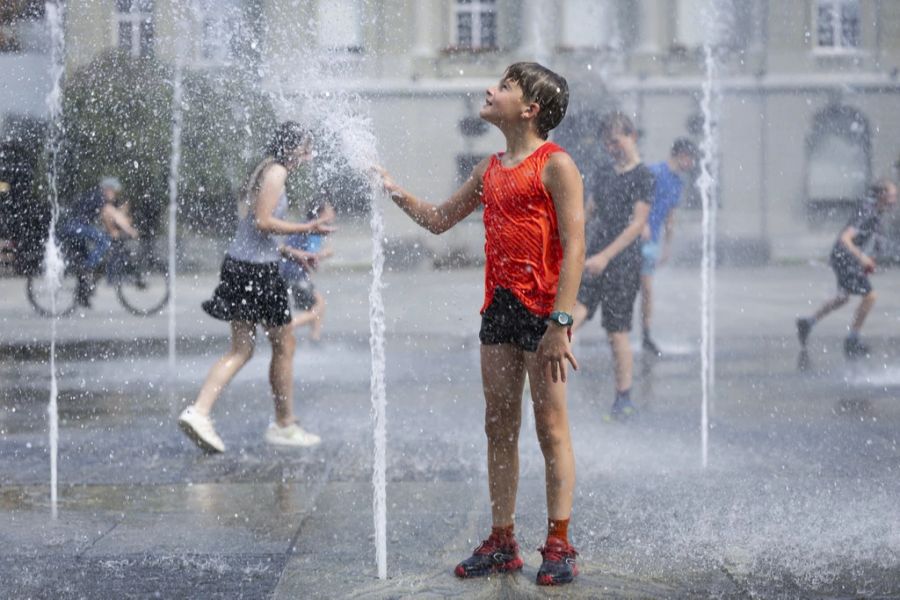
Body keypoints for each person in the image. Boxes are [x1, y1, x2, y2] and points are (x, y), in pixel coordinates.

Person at [379, 62, 585, 586]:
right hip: (498, 309)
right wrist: (393, 189)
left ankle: (559, 543)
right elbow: (440, 220)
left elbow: (576, 244)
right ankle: (503, 539)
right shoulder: (487, 169)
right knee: (499, 424)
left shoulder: (555, 165)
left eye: (505, 87)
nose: (491, 90)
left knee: (549, 427)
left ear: (530, 109)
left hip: (544, 315)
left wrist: (561, 321)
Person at [177, 122, 334, 453]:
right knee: (282, 344)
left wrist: (294, 252)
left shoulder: (267, 169)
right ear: (293, 149)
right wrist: (308, 226)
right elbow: (263, 222)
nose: (310, 154)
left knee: (248, 348)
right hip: (257, 273)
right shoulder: (276, 173)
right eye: (306, 147)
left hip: (244, 265)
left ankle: (201, 412)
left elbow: (255, 232)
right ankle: (283, 425)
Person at [571, 112, 654, 420]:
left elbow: (637, 224)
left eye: (616, 141)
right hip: (594, 254)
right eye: (607, 144)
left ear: (631, 136)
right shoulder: (604, 172)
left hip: (622, 260)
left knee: (616, 330)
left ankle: (623, 398)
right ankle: (545, 375)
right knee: (572, 312)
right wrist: (567, 235)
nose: (612, 148)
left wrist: (607, 256)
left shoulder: (643, 176)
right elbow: (589, 210)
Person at [796, 179, 898, 358]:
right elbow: (845, 238)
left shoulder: (876, 211)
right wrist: (862, 258)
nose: (895, 199)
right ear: (881, 195)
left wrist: (868, 259)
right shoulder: (867, 211)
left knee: (842, 298)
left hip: (843, 257)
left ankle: (807, 323)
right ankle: (852, 340)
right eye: (892, 195)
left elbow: (870, 239)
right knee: (870, 296)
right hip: (844, 257)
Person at [640, 138, 698, 356]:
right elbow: (635, 198)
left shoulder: (678, 183)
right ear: (681, 154)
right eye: (691, 159)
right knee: (629, 285)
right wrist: (641, 223)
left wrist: (667, 246)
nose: (692, 164)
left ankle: (645, 334)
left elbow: (670, 216)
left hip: (652, 240)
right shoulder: (654, 172)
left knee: (647, 288)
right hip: (635, 236)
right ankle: (619, 330)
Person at [58, 177, 138, 306]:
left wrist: (113, 232)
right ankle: (88, 268)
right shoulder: (99, 196)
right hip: (75, 226)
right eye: (114, 191)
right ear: (108, 189)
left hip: (75, 226)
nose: (115, 195)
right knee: (104, 243)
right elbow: (112, 214)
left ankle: (83, 294)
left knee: (86, 258)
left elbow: (106, 218)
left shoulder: (96, 196)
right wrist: (129, 231)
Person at [279, 202, 334, 342]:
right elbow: (311, 255)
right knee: (318, 306)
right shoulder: (314, 229)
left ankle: (314, 338)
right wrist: (325, 254)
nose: (333, 213)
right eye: (330, 210)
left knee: (318, 304)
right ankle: (286, 327)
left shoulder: (304, 225)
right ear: (320, 214)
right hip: (295, 273)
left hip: (287, 272)